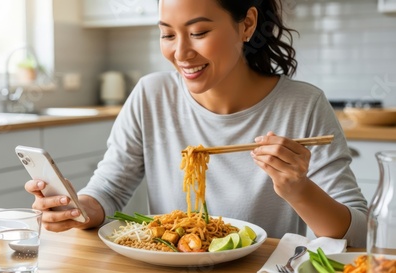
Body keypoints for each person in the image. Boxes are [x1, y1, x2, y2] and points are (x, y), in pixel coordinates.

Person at [25, 0, 368, 247]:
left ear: (247, 24)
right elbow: (111, 187)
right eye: (168, 35)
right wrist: (77, 209)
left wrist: (298, 190)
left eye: (199, 32)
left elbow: (359, 232)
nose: (181, 53)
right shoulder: (151, 94)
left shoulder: (303, 105)